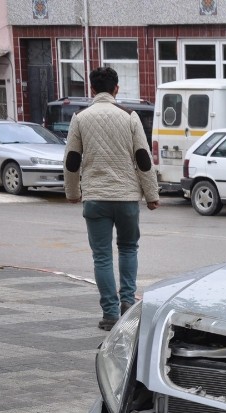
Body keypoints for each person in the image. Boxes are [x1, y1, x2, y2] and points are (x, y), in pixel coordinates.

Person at [64, 66, 160, 331]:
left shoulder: (80, 118)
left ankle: (109, 314)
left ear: (92, 89)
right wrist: (151, 195)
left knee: (102, 256)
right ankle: (128, 302)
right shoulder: (130, 117)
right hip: (127, 197)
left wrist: (72, 192)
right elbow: (143, 158)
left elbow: (71, 160)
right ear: (116, 89)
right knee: (128, 248)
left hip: (95, 197)